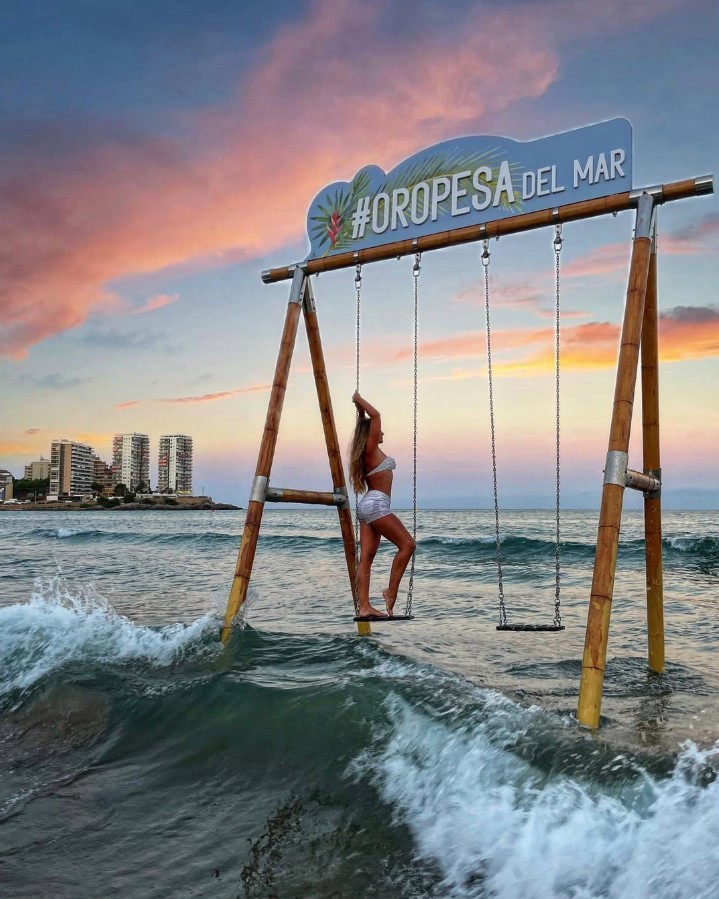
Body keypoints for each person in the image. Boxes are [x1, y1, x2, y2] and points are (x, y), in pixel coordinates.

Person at [349, 391, 416, 618]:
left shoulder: (368, 452)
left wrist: (359, 413)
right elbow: (375, 415)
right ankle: (391, 592)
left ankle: (364, 606)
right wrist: (358, 399)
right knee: (407, 545)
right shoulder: (370, 450)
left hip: (367, 506)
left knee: (366, 558)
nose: (382, 432)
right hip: (376, 504)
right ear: (370, 434)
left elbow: (366, 421)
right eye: (378, 431)